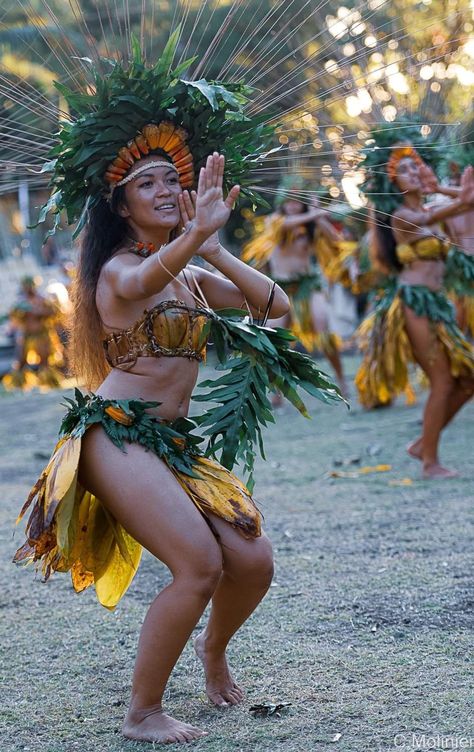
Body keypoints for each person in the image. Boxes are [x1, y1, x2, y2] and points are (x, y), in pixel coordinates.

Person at [13, 39, 343, 745]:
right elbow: (140, 284)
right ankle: (141, 713)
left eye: (173, 180)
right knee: (198, 564)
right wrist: (190, 240)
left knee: (252, 561)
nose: (166, 191)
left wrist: (215, 246)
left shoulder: (192, 273)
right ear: (122, 205)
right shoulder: (119, 270)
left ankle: (212, 650)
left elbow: (275, 305)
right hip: (116, 435)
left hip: (174, 444)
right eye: (149, 185)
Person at [355, 132, 474, 479]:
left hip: (438, 304)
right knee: (443, 380)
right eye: (405, 170)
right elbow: (448, 211)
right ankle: (429, 462)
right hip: (413, 304)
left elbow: (464, 208)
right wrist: (456, 197)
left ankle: (424, 443)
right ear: (395, 182)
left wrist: (443, 190)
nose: (414, 172)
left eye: (416, 165)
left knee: (468, 379)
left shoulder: (433, 207)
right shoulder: (401, 216)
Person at [242, 182, 347, 395]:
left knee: (322, 328)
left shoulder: (311, 224)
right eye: (288, 201)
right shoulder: (274, 221)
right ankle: (277, 390)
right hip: (280, 288)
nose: (292, 205)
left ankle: (341, 379)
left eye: (297, 201)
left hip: (308, 284)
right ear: (281, 202)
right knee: (274, 337)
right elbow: (284, 226)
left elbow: (336, 240)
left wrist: (319, 215)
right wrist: (314, 213)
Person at [2, 275, 63, 389]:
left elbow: (55, 313)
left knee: (45, 361)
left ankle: (49, 382)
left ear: (34, 286)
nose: (29, 288)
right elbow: (14, 319)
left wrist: (39, 312)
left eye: (30, 286)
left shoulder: (42, 300)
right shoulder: (20, 303)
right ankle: (18, 384)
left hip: (42, 334)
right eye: (26, 286)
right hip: (27, 335)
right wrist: (21, 313)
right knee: (21, 360)